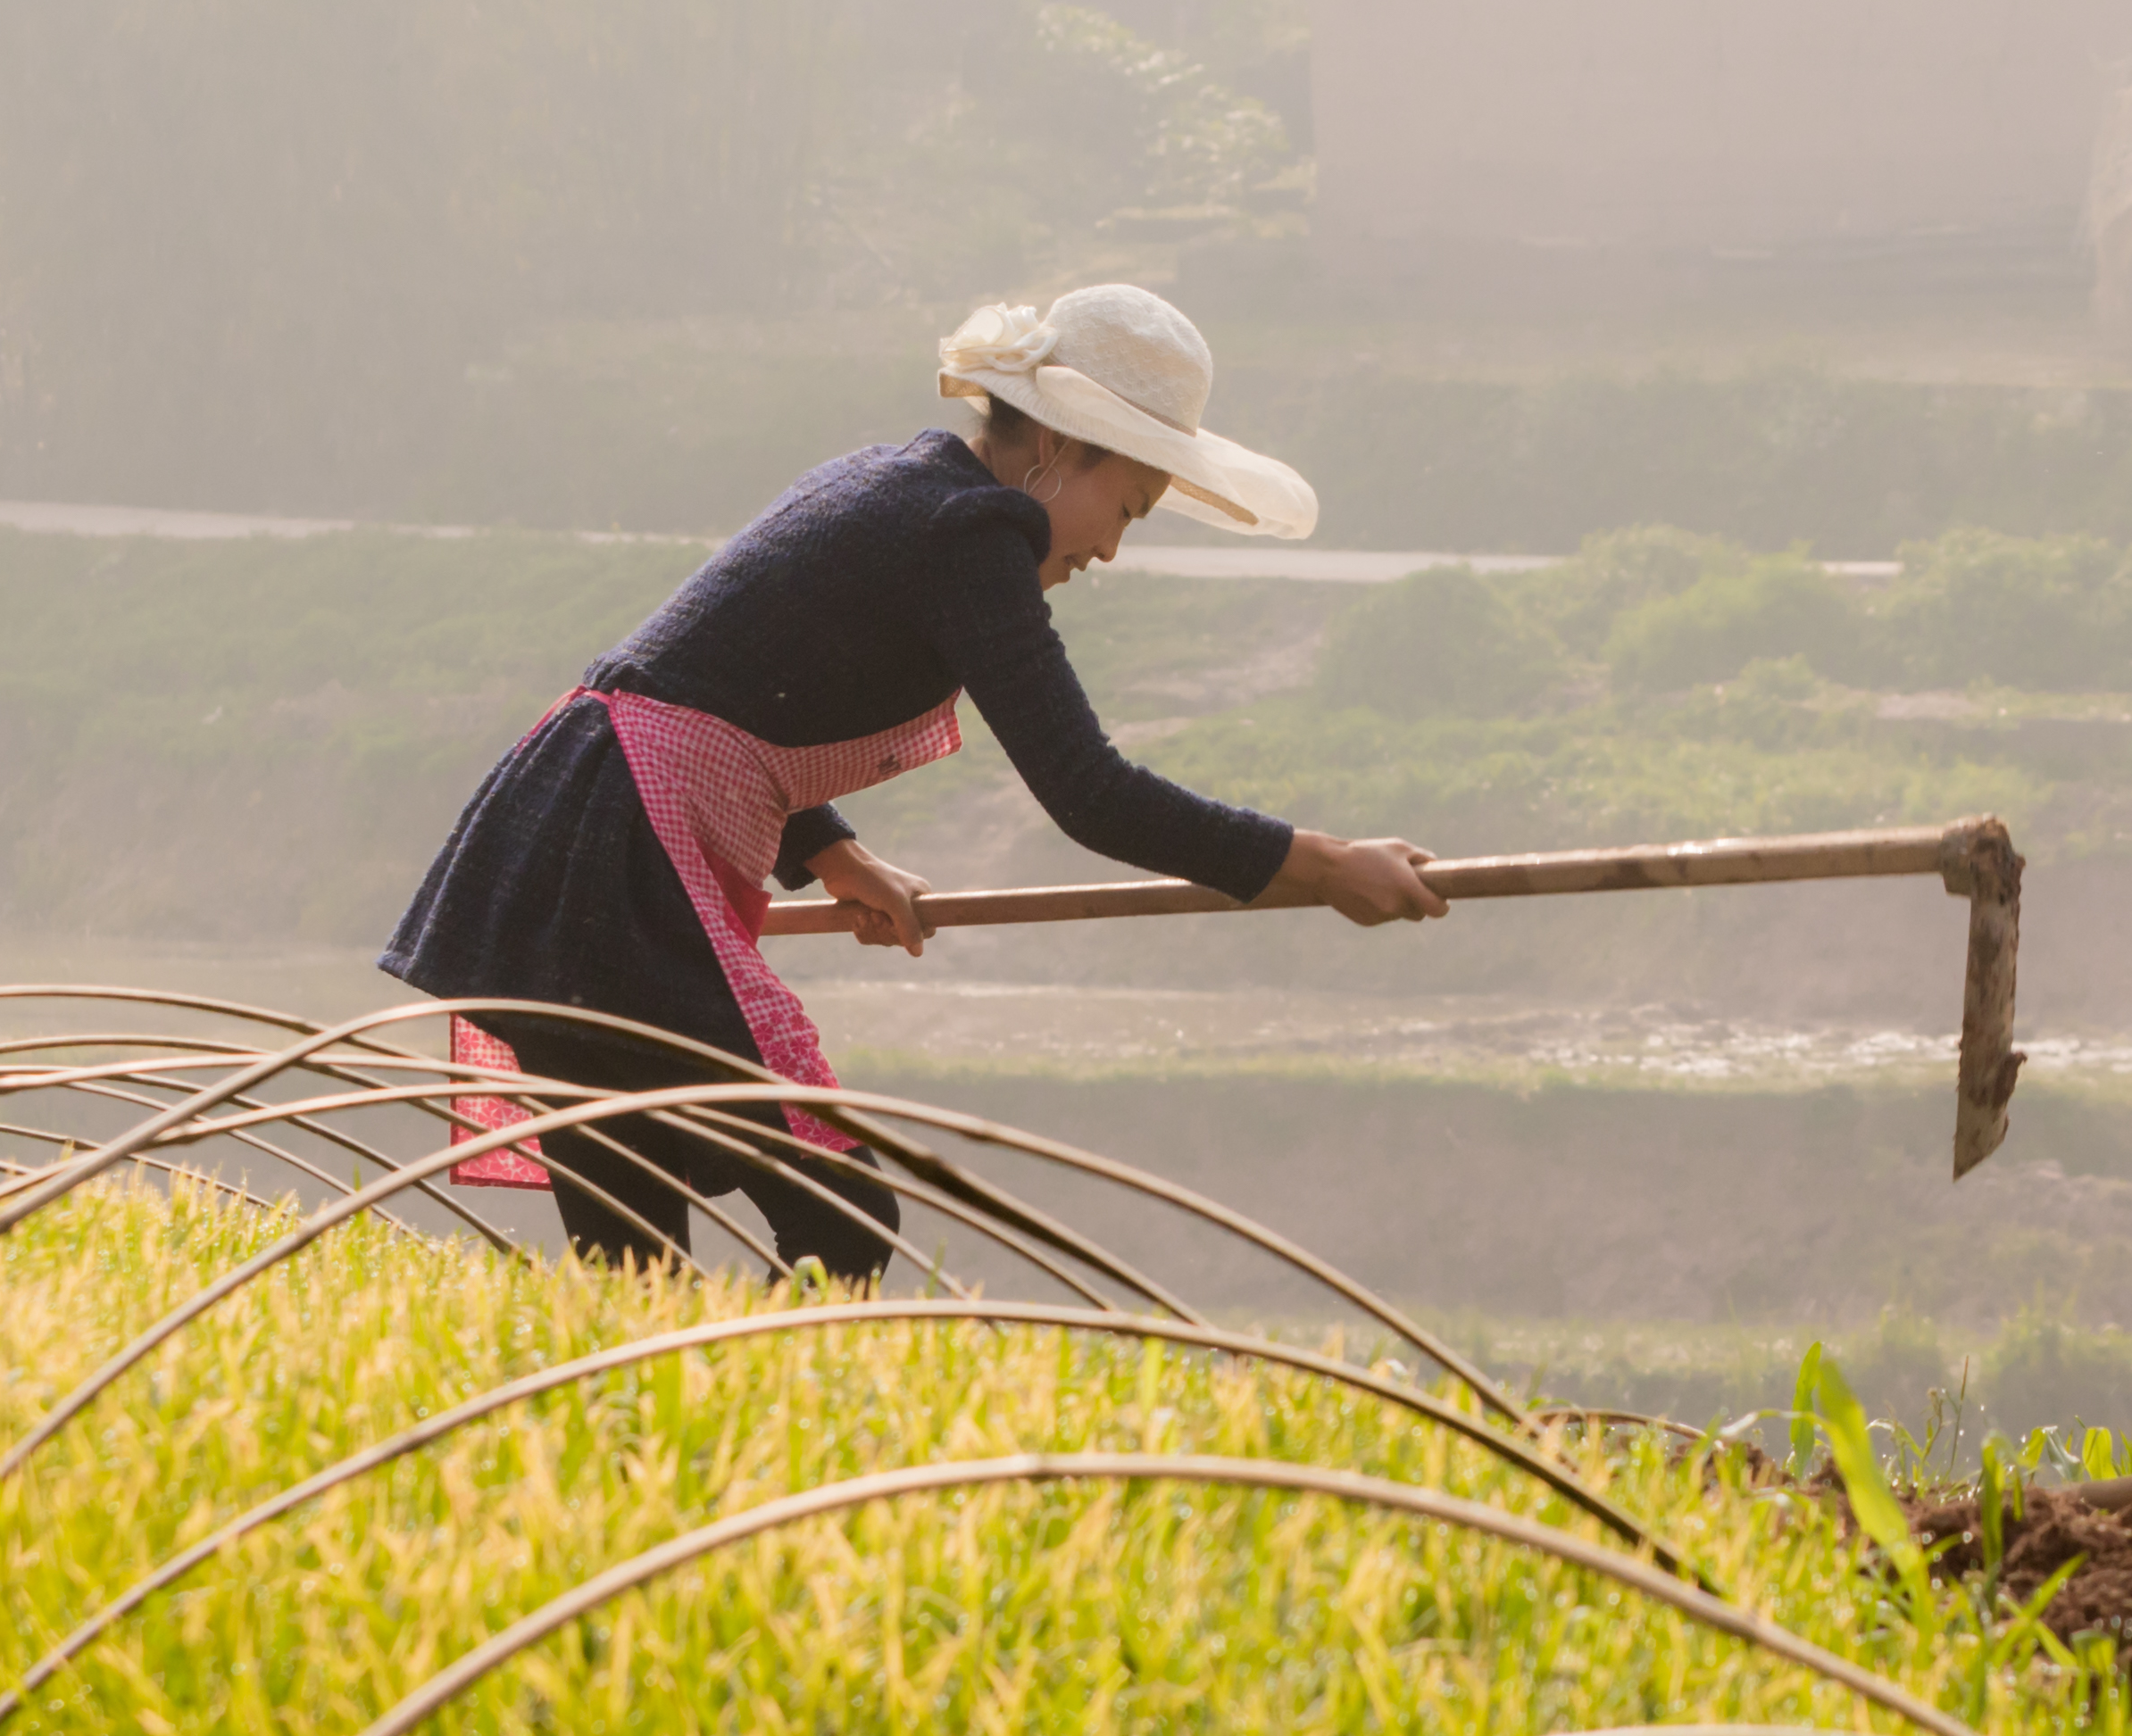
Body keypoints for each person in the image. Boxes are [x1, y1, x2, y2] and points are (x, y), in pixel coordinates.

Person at [382, 286, 1445, 1278]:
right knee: (839, 1218)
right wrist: (1325, 865)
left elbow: (732, 689)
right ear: (1065, 449)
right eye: (1129, 507)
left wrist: (836, 856)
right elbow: (1088, 789)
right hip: (616, 856)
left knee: (631, 1253)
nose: (1113, 550)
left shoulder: (892, 480)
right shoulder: (972, 532)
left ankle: (666, 1453)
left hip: (567, 824)